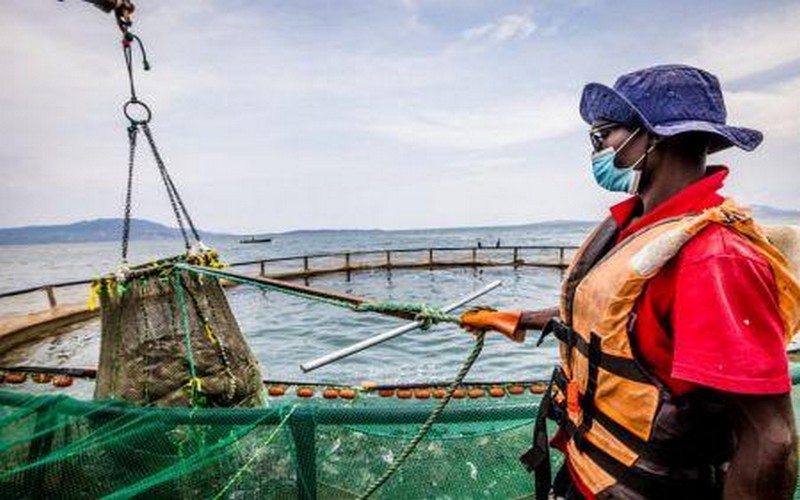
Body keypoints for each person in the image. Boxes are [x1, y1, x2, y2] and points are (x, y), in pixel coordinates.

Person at [461, 65, 800, 499]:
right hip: (591, 474)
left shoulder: (713, 260)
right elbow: (615, 321)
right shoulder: (632, 227)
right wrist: (513, 318)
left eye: (603, 134)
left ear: (652, 138)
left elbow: (771, 440)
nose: (598, 147)